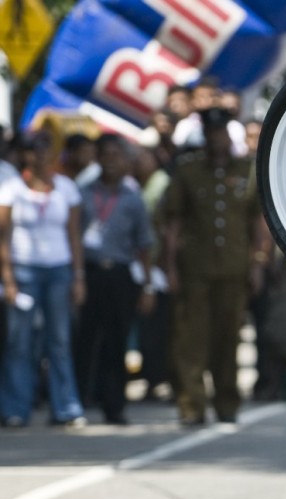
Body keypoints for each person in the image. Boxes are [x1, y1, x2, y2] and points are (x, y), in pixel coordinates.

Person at [163, 107, 268, 426]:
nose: (216, 138)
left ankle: (227, 403)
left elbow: (257, 222)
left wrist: (259, 263)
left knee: (227, 339)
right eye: (211, 133)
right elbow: (173, 222)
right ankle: (192, 405)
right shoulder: (188, 170)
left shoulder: (247, 169)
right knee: (192, 340)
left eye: (221, 132)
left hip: (234, 268)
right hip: (195, 267)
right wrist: (169, 266)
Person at [0, 131, 86, 429]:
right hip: (24, 271)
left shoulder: (66, 188)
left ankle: (66, 406)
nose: (40, 156)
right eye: (33, 150)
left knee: (59, 340)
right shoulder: (11, 188)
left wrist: (78, 276)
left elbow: (74, 236)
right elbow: (3, 236)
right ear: (25, 155)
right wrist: (8, 279)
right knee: (19, 343)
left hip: (59, 270)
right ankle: (15, 408)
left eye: (45, 150)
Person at [74, 135, 154, 425]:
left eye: (115, 154)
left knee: (116, 341)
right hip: (89, 273)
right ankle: (78, 402)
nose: (110, 160)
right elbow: (73, 236)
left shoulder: (132, 198)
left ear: (124, 160)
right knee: (84, 340)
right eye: (104, 154)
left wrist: (147, 285)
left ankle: (114, 405)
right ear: (97, 158)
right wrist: (77, 276)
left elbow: (144, 244)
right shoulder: (82, 192)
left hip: (119, 274)